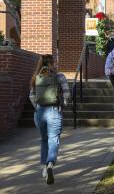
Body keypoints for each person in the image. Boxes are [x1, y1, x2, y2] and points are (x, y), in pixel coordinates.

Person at [29, 55, 71, 185]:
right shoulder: (60, 77)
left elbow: (31, 95)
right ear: (53, 63)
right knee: (53, 139)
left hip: (40, 112)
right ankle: (50, 164)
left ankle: (43, 168)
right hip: (54, 111)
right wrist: (62, 106)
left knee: (44, 139)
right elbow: (67, 95)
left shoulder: (37, 77)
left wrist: (37, 107)